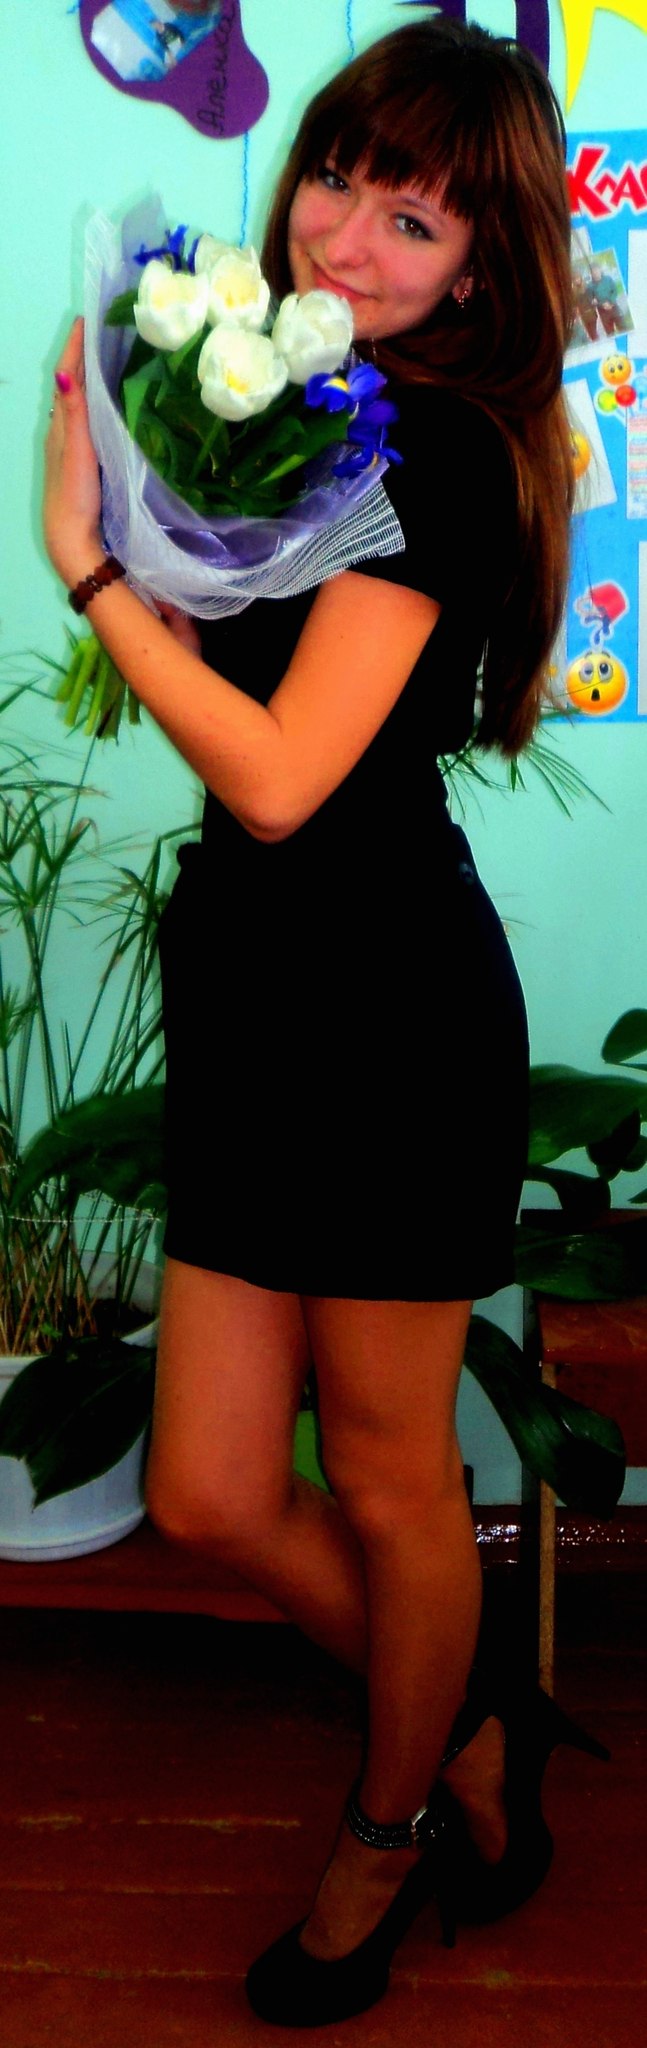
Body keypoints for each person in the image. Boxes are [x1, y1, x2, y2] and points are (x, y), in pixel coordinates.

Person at [42, 17, 596, 2029]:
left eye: (415, 218)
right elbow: (240, 687)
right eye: (341, 178)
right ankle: (473, 1715)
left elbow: (280, 778)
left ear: (485, 266)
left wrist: (88, 565)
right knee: (204, 1485)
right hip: (260, 990)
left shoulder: (438, 455)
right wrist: (151, 487)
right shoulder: (319, 403)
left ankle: (393, 1822)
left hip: (385, 1016)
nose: (348, 235)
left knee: (387, 1477)